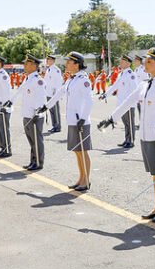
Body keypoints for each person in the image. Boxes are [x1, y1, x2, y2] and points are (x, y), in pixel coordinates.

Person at [98, 48, 155, 223]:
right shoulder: (144, 84)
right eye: (146, 61)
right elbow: (128, 101)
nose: (146, 63)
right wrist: (111, 118)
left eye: (150, 61)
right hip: (146, 135)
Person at [40, 52, 94, 191]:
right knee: (77, 151)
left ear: (77, 64)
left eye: (69, 62)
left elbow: (89, 101)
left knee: (83, 151)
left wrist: (83, 118)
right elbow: (59, 93)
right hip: (72, 120)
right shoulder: (71, 79)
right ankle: (81, 179)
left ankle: (86, 181)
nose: (66, 64)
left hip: (81, 121)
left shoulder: (83, 80)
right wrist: (46, 106)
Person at [7, 55, 46, 170]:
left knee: (36, 139)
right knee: (31, 140)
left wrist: (36, 113)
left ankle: (38, 162)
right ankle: (33, 161)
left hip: (35, 115)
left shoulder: (38, 80)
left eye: (26, 64)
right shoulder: (27, 78)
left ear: (34, 65)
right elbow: (20, 91)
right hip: (27, 114)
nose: (24, 66)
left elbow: (41, 98)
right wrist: (11, 101)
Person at [100, 54, 138, 148]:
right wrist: (105, 95)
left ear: (128, 63)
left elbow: (135, 90)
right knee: (125, 123)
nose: (120, 63)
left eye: (122, 61)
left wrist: (131, 102)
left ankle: (131, 141)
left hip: (128, 104)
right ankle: (127, 139)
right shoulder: (122, 74)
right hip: (121, 104)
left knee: (130, 123)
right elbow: (114, 86)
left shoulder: (131, 75)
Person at [43, 54, 63, 133]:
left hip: (54, 94)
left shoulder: (56, 70)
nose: (47, 61)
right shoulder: (49, 69)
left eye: (49, 60)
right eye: (47, 60)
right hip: (48, 93)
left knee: (55, 110)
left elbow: (58, 82)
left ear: (53, 61)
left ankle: (58, 126)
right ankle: (54, 125)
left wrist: (56, 94)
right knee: (51, 110)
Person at [133, 55, 149, 128]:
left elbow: (147, 81)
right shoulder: (136, 70)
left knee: (143, 109)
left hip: (142, 93)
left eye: (136, 61)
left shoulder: (143, 70)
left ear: (139, 61)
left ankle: (144, 124)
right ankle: (141, 123)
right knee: (140, 109)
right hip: (137, 93)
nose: (134, 62)